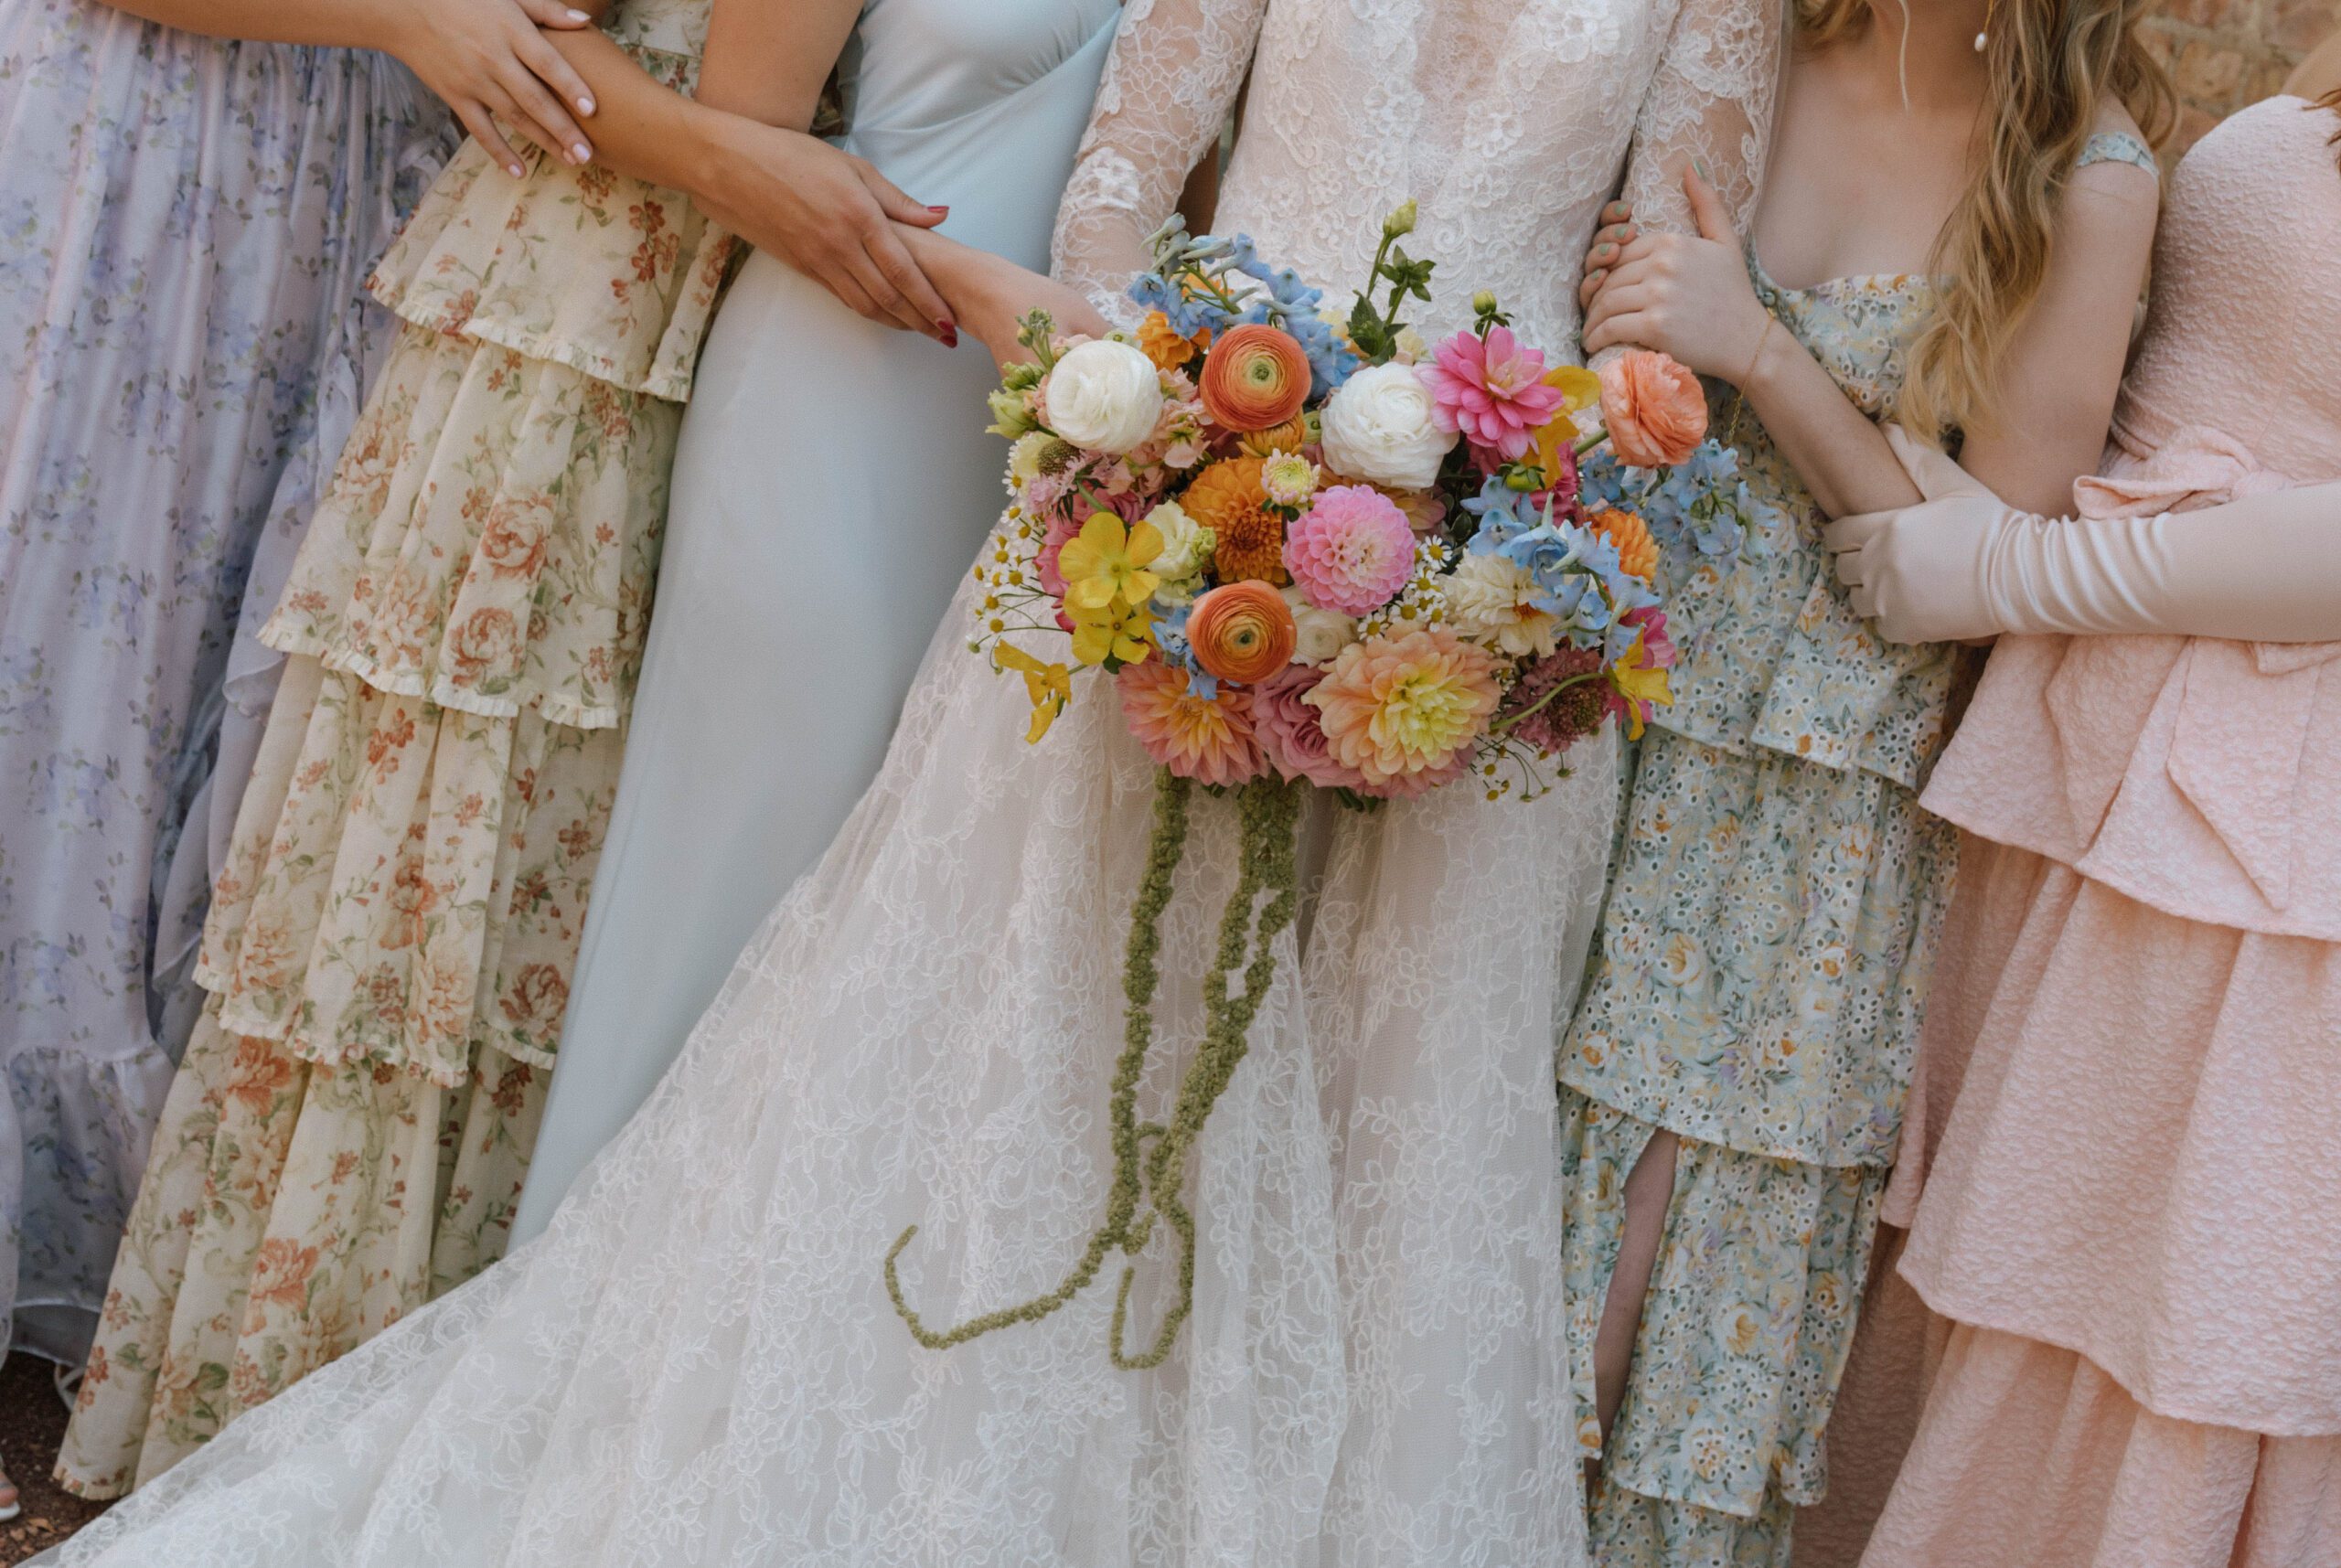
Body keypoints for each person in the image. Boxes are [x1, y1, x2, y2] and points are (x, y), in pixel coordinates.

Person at [29, 0, 1779, 1560]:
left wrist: (1517, 528)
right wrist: (1152, 437)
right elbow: (1130, 162)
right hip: (1183, 466)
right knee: (1048, 1002)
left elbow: (1663, 334)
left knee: (1394, 1079)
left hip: (1490, 552)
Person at [49, 0, 984, 1494]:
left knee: (569, 876)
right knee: (445, 874)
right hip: (584, 312)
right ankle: (355, 1415)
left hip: (693, 301)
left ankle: (508, 1391)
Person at [1556, 0, 2166, 1556]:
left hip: (1820, 778)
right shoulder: (1740, 42)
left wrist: (1757, 346)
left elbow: (1994, 563)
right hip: (1589, 687)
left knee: (1660, 1248)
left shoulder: (2086, 174)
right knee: (1505, 1181)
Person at [0, 0, 614, 1509]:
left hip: (346, 188)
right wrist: (407, 15)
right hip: (130, 150)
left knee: (172, 725)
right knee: (40, 678)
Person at [1801, 80, 2341, 1566]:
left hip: (2245, 835)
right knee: (1984, 1270)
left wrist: (2023, 576)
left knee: (2129, 1319)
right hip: (2087, 764)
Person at [510, 0, 1125, 1243]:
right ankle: (591, 1345)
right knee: (732, 890)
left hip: (1064, 459)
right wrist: (978, 288)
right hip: (843, 391)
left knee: (921, 939)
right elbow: (739, 157)